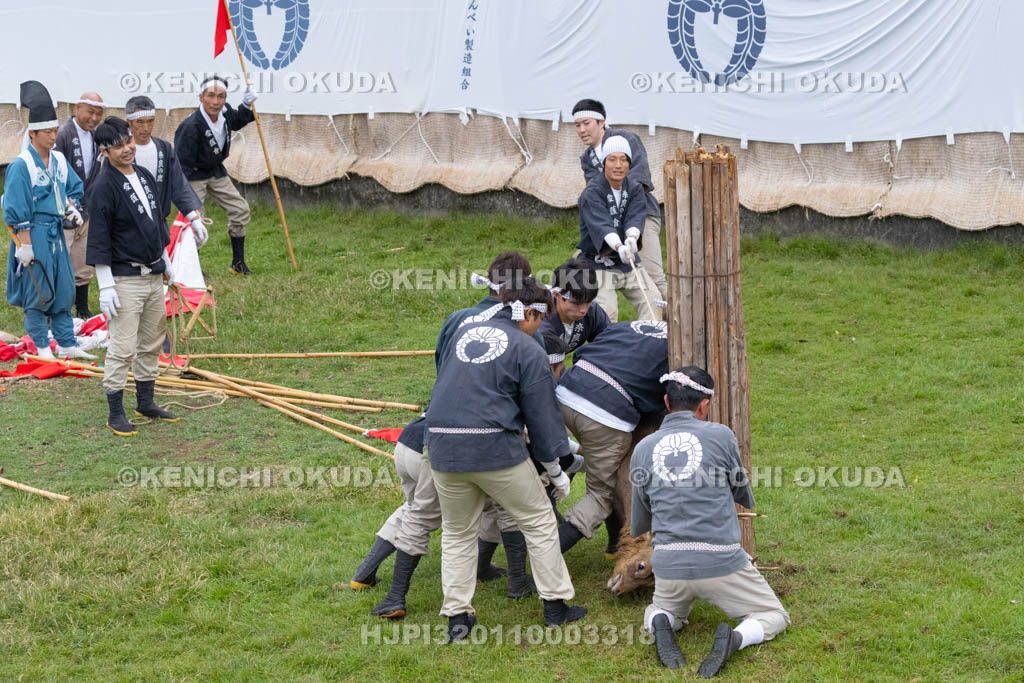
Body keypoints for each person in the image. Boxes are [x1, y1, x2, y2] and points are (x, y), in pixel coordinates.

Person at [427, 277, 585, 642]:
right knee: (539, 521)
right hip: (495, 449)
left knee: (457, 532)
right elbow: (542, 417)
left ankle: (458, 618)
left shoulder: (463, 332)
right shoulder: (528, 349)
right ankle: (556, 607)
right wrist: (555, 469)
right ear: (529, 312)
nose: (540, 328)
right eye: (539, 319)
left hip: (442, 447)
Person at [631, 367, 789, 675]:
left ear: (666, 402)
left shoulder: (642, 449)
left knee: (663, 608)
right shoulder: (721, 435)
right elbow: (742, 492)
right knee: (773, 614)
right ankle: (735, 638)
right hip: (721, 561)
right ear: (704, 405)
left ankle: (662, 621)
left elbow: (640, 518)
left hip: (668, 563)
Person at [85, 117, 181, 436]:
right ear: (104, 151)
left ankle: (145, 401)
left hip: (153, 273)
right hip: (124, 278)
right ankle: (115, 412)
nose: (127, 149)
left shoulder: (142, 173)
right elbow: (98, 238)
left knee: (151, 341)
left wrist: (166, 263)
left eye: (128, 142)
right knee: (123, 346)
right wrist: (106, 285)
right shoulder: (103, 187)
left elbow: (157, 224)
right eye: (118, 146)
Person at [555, 319, 669, 554]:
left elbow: (584, 353)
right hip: (605, 415)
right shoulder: (678, 347)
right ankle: (545, 555)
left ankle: (613, 545)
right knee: (601, 495)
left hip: (565, 394)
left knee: (607, 472)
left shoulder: (631, 324)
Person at [3, 80, 92, 361]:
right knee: (38, 289)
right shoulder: (21, 165)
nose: (54, 136)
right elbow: (16, 208)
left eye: (56, 130)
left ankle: (66, 342)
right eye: (48, 132)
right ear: (33, 133)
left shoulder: (59, 160)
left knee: (63, 287)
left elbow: (73, 188)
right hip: (34, 234)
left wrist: (71, 208)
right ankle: (41, 346)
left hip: (56, 231)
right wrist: (25, 245)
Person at [573, 98, 667, 299]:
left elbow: (639, 180)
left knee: (654, 275)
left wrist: (631, 233)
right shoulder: (587, 158)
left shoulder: (626, 139)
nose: (581, 130)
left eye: (586, 123)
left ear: (601, 122)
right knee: (579, 268)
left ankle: (674, 327)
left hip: (641, 214)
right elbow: (595, 192)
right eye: (577, 125)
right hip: (609, 220)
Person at [173, 76, 256, 274]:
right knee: (194, 220)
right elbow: (181, 162)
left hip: (216, 172)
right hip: (192, 175)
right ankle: (191, 269)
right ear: (201, 97)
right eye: (211, 96)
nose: (216, 102)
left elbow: (238, 120)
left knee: (240, 209)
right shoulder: (190, 126)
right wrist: (182, 193)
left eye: (221, 96)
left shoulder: (225, 113)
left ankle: (238, 263)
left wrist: (246, 104)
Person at [576, 135, 663, 322]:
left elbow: (635, 216)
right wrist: (619, 246)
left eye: (624, 160)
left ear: (630, 164)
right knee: (607, 312)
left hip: (627, 260)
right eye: (612, 159)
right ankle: (608, 349)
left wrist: (631, 238)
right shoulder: (592, 192)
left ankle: (645, 344)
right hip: (597, 262)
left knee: (654, 302)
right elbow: (601, 224)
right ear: (604, 163)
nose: (618, 165)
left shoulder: (635, 188)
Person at [124, 96, 208, 247]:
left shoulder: (164, 148)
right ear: (128, 122)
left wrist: (194, 219)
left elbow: (178, 185)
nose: (146, 128)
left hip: (158, 224)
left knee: (161, 267)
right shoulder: (120, 151)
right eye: (140, 122)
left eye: (150, 121)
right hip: (127, 226)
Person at [55, 91, 105, 318]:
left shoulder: (98, 137)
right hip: (64, 207)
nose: (94, 118)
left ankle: (82, 307)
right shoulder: (63, 134)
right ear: (77, 108)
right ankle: (54, 309)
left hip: (89, 207)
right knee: (60, 258)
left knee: (84, 259)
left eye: (98, 114)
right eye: (90, 112)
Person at [539, 257, 610, 359]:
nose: (583, 310)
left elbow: (608, 342)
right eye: (576, 303)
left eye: (588, 302)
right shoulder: (540, 320)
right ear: (557, 295)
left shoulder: (592, 310)